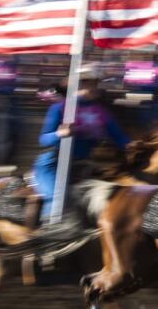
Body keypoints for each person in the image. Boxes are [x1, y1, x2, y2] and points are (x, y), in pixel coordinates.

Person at [33, 65, 130, 220]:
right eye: (88, 83)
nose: (93, 87)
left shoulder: (101, 112)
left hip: (83, 166)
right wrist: (60, 133)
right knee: (59, 198)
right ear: (78, 84)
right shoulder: (60, 108)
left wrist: (138, 149)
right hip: (54, 164)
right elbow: (43, 140)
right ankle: (51, 230)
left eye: (95, 83)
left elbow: (120, 138)